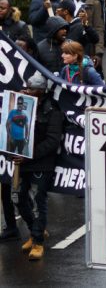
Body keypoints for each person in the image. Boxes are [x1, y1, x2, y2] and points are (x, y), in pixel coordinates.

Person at [10, 73, 62, 261]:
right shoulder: (20, 106)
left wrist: (29, 156)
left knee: (38, 203)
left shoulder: (52, 110)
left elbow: (52, 141)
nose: (26, 90)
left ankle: (38, 242)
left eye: (30, 88)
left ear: (40, 92)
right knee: (17, 197)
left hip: (41, 164)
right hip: (22, 163)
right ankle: (35, 231)